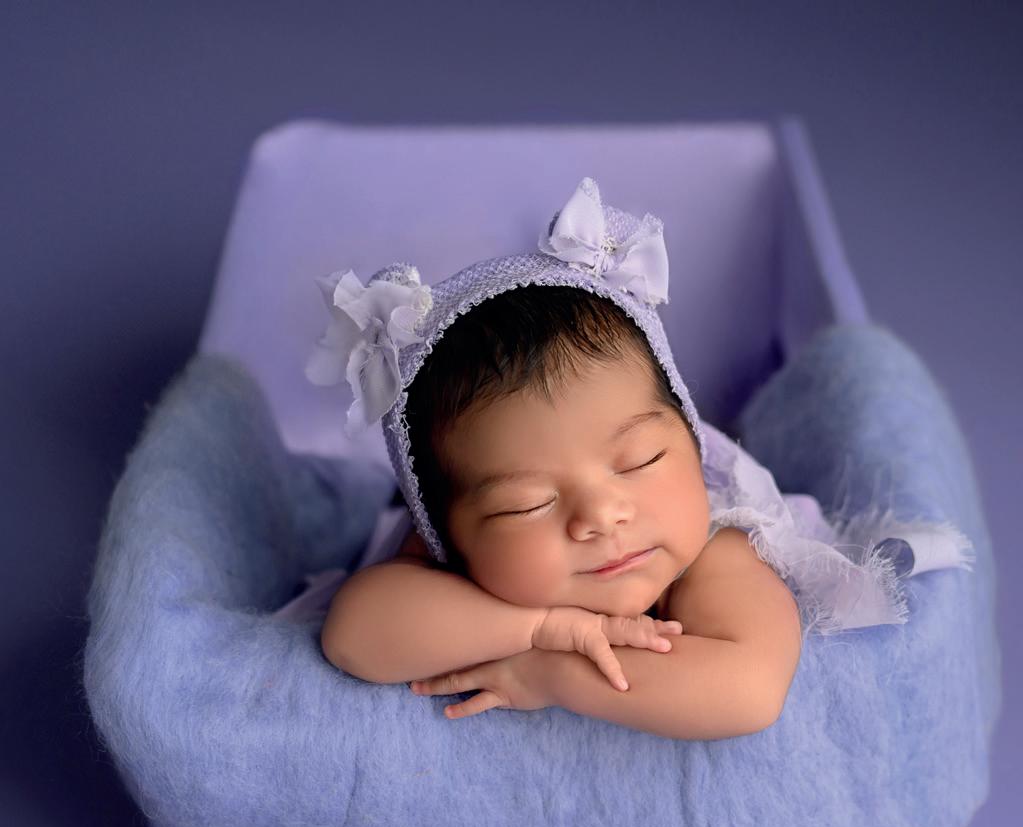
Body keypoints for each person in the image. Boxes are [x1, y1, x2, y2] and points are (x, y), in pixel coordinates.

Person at [298, 177, 972, 738]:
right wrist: (541, 626)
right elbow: (355, 634)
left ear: (691, 441)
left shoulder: (717, 548)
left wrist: (550, 672)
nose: (602, 515)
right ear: (445, 532)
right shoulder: (457, 556)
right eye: (526, 504)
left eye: (641, 460)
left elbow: (747, 690)